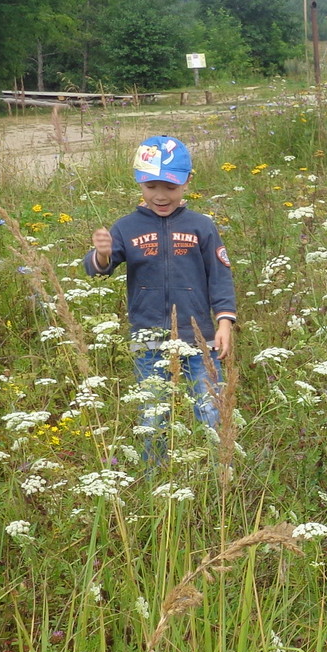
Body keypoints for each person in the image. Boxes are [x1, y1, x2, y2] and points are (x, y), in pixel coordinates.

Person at [85, 136, 235, 456]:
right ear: (139, 182)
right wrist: (101, 254)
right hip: (149, 341)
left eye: (170, 187)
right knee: (153, 418)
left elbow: (220, 277)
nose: (161, 195)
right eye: (152, 186)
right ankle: (153, 479)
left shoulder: (201, 226)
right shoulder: (126, 227)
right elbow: (100, 268)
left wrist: (224, 323)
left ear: (187, 182)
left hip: (200, 342)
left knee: (211, 412)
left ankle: (223, 477)